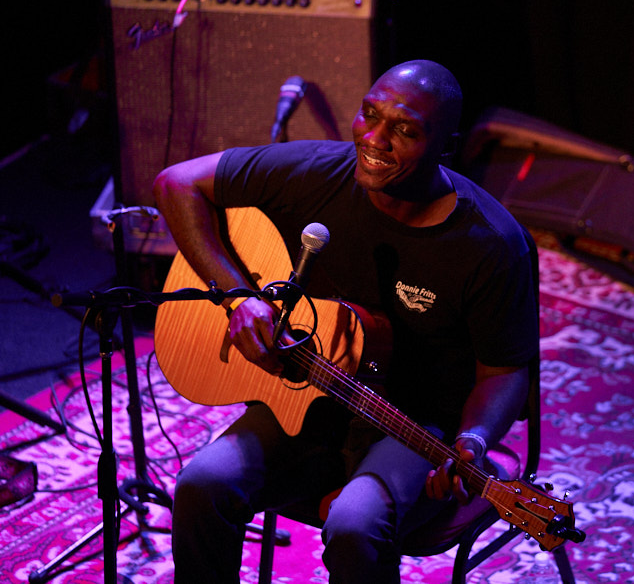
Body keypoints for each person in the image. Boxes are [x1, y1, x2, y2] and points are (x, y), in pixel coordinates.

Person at [152, 59, 539, 583]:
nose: (375, 139)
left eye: (404, 130)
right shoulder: (317, 171)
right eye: (369, 114)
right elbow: (177, 183)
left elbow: (505, 370)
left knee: (355, 524)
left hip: (415, 422)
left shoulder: (491, 244)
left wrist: (473, 440)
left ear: (445, 146)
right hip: (310, 394)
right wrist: (239, 299)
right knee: (201, 484)